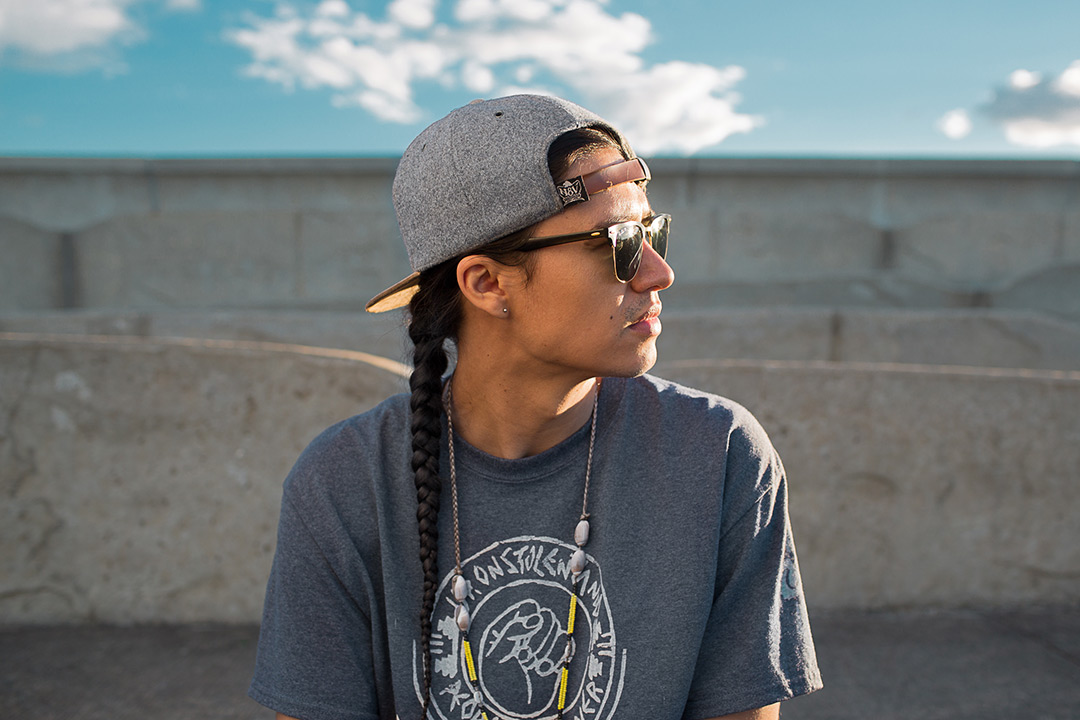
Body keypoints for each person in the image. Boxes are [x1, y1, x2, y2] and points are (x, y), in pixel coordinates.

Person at [249, 94, 822, 720]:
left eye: (652, 232)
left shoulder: (717, 453)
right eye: (618, 243)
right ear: (488, 284)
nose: (658, 274)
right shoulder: (344, 481)